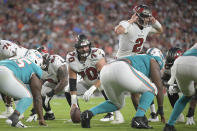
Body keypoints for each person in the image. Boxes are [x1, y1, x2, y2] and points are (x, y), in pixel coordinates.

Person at [81, 48, 165, 129]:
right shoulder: (152, 59)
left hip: (106, 70)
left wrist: (141, 115)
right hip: (121, 68)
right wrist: (160, 108)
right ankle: (138, 119)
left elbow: (135, 95)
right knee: (152, 88)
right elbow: (159, 85)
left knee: (117, 104)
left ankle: (88, 114)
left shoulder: (140, 59)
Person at [114, 4, 163, 123]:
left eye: (148, 17)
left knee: (147, 86)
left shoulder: (146, 27)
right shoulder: (128, 24)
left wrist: (155, 21)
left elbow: (160, 30)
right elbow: (118, 30)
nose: (147, 19)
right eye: (145, 17)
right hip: (124, 60)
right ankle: (140, 116)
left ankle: (151, 113)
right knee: (135, 92)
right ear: (137, 16)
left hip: (137, 59)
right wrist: (131, 20)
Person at [67, 34, 114, 123]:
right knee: (67, 90)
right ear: (77, 48)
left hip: (101, 81)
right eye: (82, 47)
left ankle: (110, 113)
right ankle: (76, 112)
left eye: (86, 46)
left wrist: (92, 89)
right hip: (87, 81)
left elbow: (103, 76)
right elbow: (72, 81)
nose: (84, 49)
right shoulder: (72, 58)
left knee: (102, 85)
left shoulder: (97, 54)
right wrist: (73, 102)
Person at [0, 49, 46, 128]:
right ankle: (13, 117)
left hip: (3, 67)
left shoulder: (17, 58)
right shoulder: (35, 68)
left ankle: (15, 121)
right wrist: (41, 119)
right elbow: (37, 97)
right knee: (28, 97)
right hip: (5, 73)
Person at [26, 47, 69, 121]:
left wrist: (51, 93)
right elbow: (37, 90)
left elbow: (64, 81)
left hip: (67, 80)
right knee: (41, 93)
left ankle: (76, 111)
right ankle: (49, 114)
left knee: (68, 90)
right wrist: (34, 111)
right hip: (54, 82)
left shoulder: (56, 61)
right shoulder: (37, 68)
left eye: (43, 58)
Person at [163, 43, 197, 131]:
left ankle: (169, 125)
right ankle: (189, 115)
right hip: (194, 62)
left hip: (179, 63)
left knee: (186, 96)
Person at [0, 40, 28, 118]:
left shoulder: (5, 50)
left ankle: (19, 112)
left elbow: (14, 57)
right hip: (18, 60)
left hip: (22, 60)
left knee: (12, 84)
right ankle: (9, 109)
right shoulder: (3, 45)